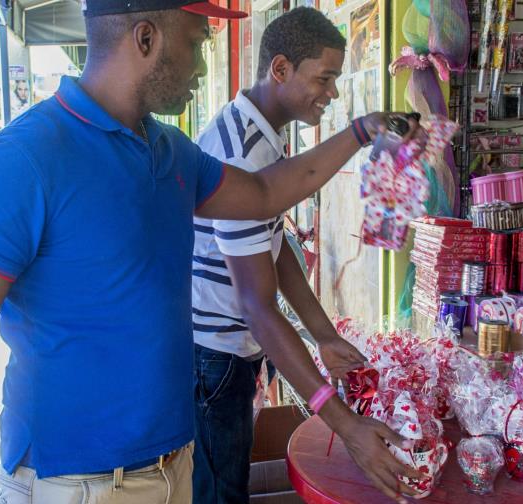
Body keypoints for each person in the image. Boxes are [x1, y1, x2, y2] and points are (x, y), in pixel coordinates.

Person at [0, 1, 423, 503]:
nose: (203, 65)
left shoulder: (171, 151)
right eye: (197, 43)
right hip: (73, 485)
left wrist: (362, 131)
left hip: (174, 466)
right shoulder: (22, 160)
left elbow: (265, 196)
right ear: (147, 38)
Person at [190, 8, 378, 503]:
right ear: (280, 69)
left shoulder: (264, 137)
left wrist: (324, 336)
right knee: (219, 492)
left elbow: (275, 249)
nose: (332, 92)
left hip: (236, 353)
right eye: (325, 77)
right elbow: (257, 305)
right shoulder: (240, 150)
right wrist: (343, 424)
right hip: (216, 356)